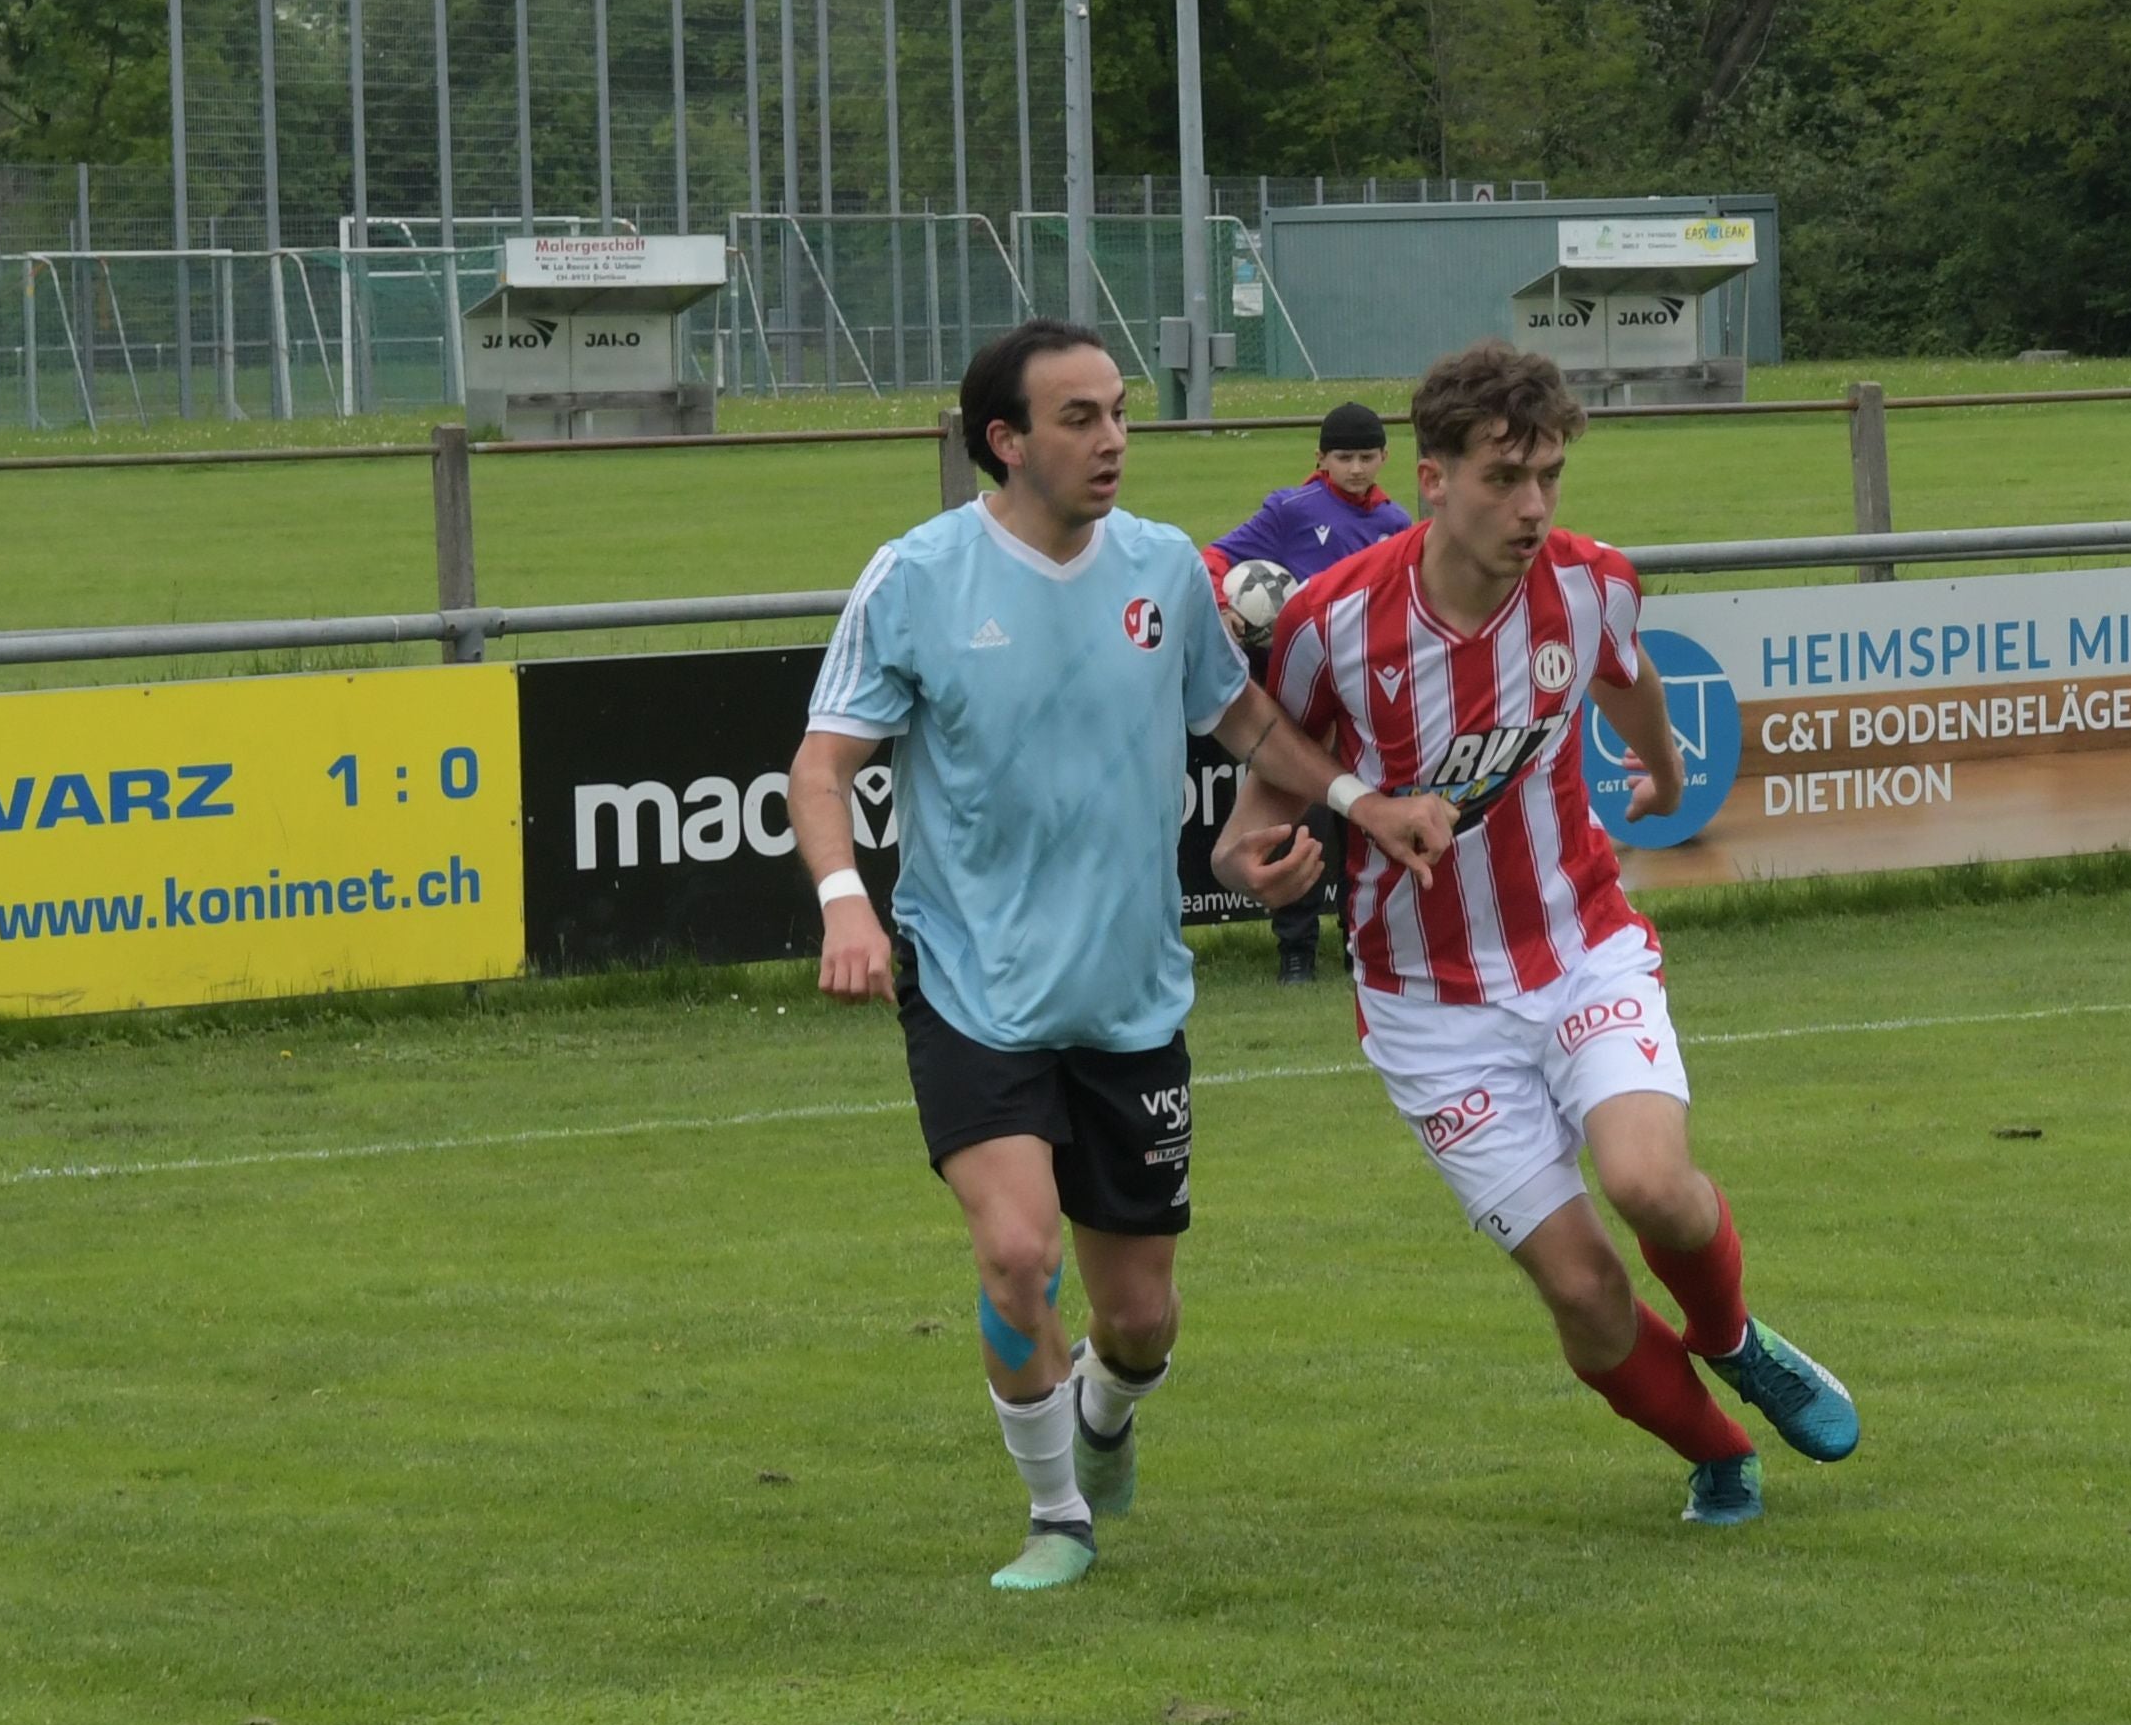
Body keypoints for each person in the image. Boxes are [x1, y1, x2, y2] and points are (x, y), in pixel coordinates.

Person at [789, 321, 1458, 1591]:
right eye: (1081, 418)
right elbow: (821, 766)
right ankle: (1057, 1517)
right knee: (1016, 1253)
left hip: (1130, 994)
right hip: (973, 982)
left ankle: (1104, 1410)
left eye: (1118, 412)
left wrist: (1359, 804)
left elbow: (1245, 718)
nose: (1113, 440)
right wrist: (844, 902)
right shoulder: (919, 577)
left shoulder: (1165, 568)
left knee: (1139, 1322)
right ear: (1007, 441)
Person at [1217, 342, 1859, 1530]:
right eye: (1506, 477)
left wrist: (1663, 768)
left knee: (1649, 1181)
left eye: (1550, 475)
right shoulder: (1331, 622)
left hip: (1579, 946)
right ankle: (1720, 1452)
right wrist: (1246, 864)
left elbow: (1625, 679)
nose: (1534, 505)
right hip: (1427, 1004)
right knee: (1583, 1286)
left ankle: (1734, 1339)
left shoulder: (1590, 582)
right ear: (1432, 477)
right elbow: (1269, 790)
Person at [1208, 403, 1415, 985]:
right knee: (1294, 814)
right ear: (1320, 459)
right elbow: (1215, 557)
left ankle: (1361, 943)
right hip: (1297, 691)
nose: (1355, 468)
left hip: (1368, 693)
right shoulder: (1290, 510)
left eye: (1366, 457)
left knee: (1364, 822)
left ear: (1384, 457)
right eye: (1343, 457)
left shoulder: (1397, 524)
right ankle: (1295, 948)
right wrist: (1223, 604)